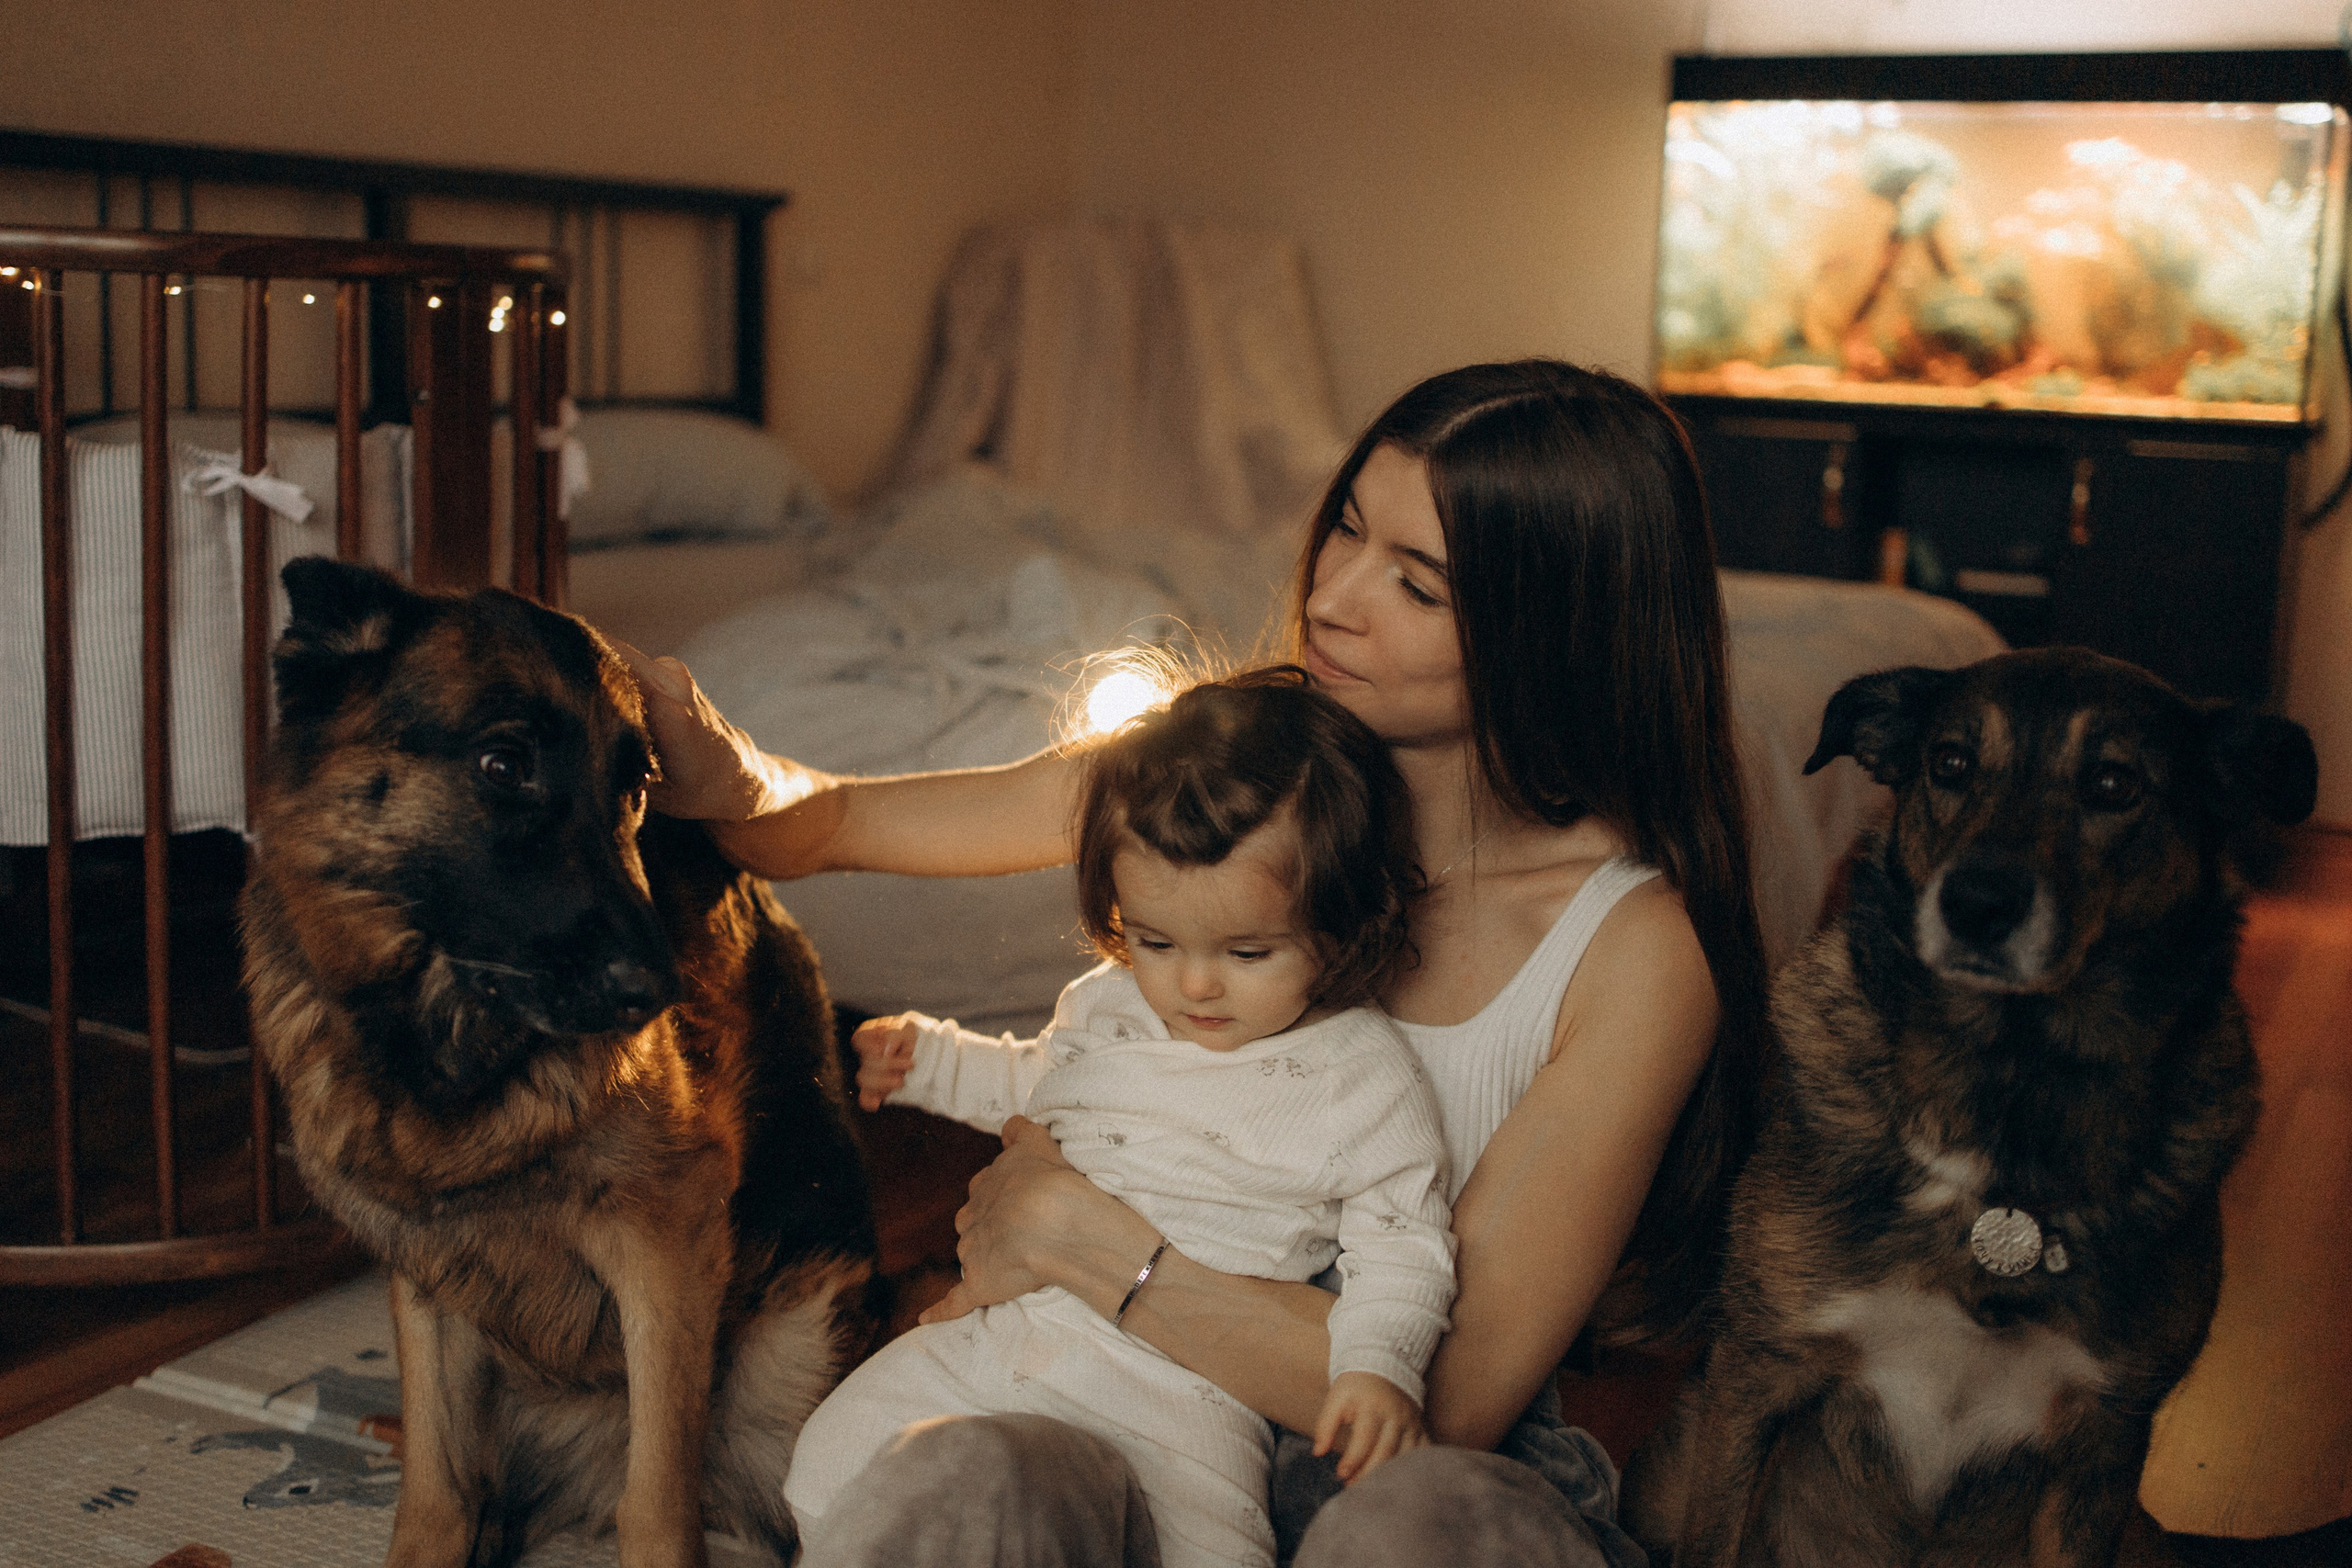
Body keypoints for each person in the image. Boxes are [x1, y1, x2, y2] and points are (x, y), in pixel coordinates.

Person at [619, 359, 1770, 1567]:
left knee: (1414, 1518)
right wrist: (730, 768)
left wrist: (1082, 1235)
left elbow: (1455, 1395)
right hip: (1118, 1402)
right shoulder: (1236, 769)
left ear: (1561, 629)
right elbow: (834, 823)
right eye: (1347, 527)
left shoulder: (1633, 948)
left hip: (1402, 1483)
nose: (1332, 596)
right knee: (971, 1469)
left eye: (1415, 583)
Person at [785, 669, 1455, 1568]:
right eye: (1155, 941)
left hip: (1187, 1396)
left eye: (1248, 951)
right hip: (1013, 1332)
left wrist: (1379, 1368)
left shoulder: (1362, 1078)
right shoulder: (1109, 1006)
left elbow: (1404, 1246)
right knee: (836, 1457)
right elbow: (1047, 1087)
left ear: (1339, 924)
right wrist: (935, 1062)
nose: (1194, 985)